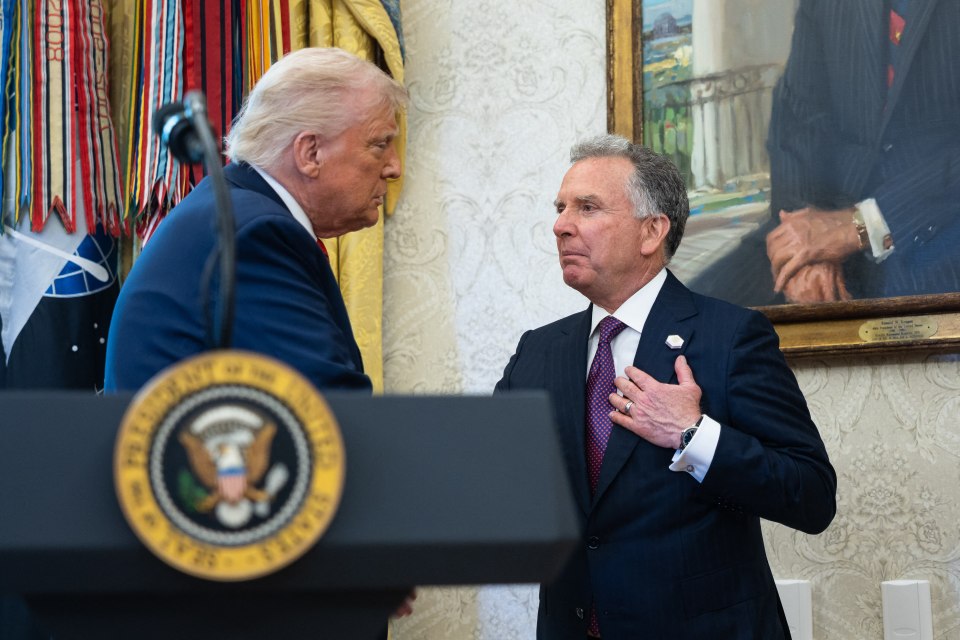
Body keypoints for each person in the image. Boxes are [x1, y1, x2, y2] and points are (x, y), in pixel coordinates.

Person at [496, 134, 836, 639]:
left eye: (587, 208)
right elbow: (502, 490)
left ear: (652, 231)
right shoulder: (538, 351)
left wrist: (693, 433)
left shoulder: (730, 337)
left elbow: (810, 496)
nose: (561, 225)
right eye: (561, 208)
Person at [105, 47, 407, 393]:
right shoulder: (256, 235)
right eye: (379, 144)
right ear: (310, 153)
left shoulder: (240, 212)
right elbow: (330, 404)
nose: (394, 167)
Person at [691, 0, 960, 305]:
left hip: (934, 228)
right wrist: (805, 251)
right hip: (825, 217)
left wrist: (863, 224)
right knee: (688, 323)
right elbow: (797, 118)